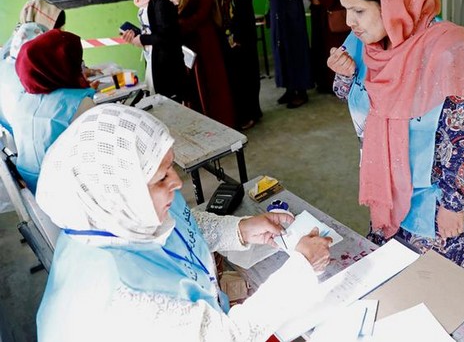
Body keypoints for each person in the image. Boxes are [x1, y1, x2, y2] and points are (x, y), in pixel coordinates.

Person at [36, 104, 332, 341]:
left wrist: (241, 229)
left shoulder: (126, 210)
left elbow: (184, 223)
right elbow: (226, 337)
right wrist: (301, 269)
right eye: (162, 177)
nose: (177, 182)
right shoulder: (123, 297)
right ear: (121, 194)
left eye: (171, 166)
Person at [327, 0, 464, 273]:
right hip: (388, 196)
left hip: (436, 209)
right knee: (393, 281)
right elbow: (351, 95)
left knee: (438, 292)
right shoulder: (365, 42)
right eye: (345, 9)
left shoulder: (447, 51)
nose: (349, 22)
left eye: (358, 10)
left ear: (392, 2)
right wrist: (342, 74)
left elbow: (461, 139)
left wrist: (453, 206)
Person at [11, 29, 96, 192]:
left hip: (34, 191)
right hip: (67, 195)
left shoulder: (21, 100)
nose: (80, 66)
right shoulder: (79, 104)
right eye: (77, 61)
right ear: (62, 64)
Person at [167, 0, 236, 127]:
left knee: (210, 85)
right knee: (191, 89)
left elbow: (202, 14)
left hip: (204, 41)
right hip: (183, 43)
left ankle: (220, 127)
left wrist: (175, 27)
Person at [203, 0, 263, 130]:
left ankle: (251, 114)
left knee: (245, 77)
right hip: (222, 39)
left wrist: (236, 38)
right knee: (231, 80)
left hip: (240, 39)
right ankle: (237, 114)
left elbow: (245, 18)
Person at [117, 0, 186, 103]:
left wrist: (141, 39)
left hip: (167, 66)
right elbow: (154, 29)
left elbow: (167, 37)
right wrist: (138, 36)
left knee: (169, 109)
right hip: (155, 59)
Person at [0, 0, 66, 133]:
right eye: (57, 30)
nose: (61, 34)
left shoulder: (14, 46)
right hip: (32, 128)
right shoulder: (30, 58)